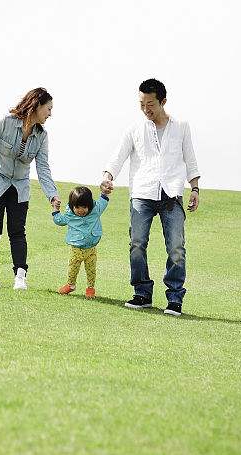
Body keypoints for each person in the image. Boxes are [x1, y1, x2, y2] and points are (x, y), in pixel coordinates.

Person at [100, 78, 201, 316]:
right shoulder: (134, 129)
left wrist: (195, 189)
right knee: (137, 244)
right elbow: (118, 156)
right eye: (142, 104)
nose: (146, 109)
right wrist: (107, 176)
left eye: (151, 104)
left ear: (163, 101)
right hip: (142, 193)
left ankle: (174, 298)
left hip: (171, 193)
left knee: (176, 247)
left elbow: (190, 159)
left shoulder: (181, 127)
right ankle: (142, 293)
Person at [0, 87, 60, 290]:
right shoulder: (5, 122)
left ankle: (20, 277)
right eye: (48, 108)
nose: (50, 114)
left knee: (18, 232)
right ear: (37, 105)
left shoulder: (42, 136)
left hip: (20, 186)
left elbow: (43, 167)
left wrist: (52, 194)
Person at [52, 185, 112, 298]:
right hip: (76, 249)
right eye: (77, 207)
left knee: (91, 269)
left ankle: (90, 288)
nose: (80, 210)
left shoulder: (96, 210)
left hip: (91, 249)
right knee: (73, 268)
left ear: (89, 205)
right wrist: (56, 210)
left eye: (84, 207)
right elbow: (59, 221)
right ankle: (70, 285)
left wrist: (104, 192)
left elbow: (103, 202)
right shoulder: (70, 215)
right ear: (72, 206)